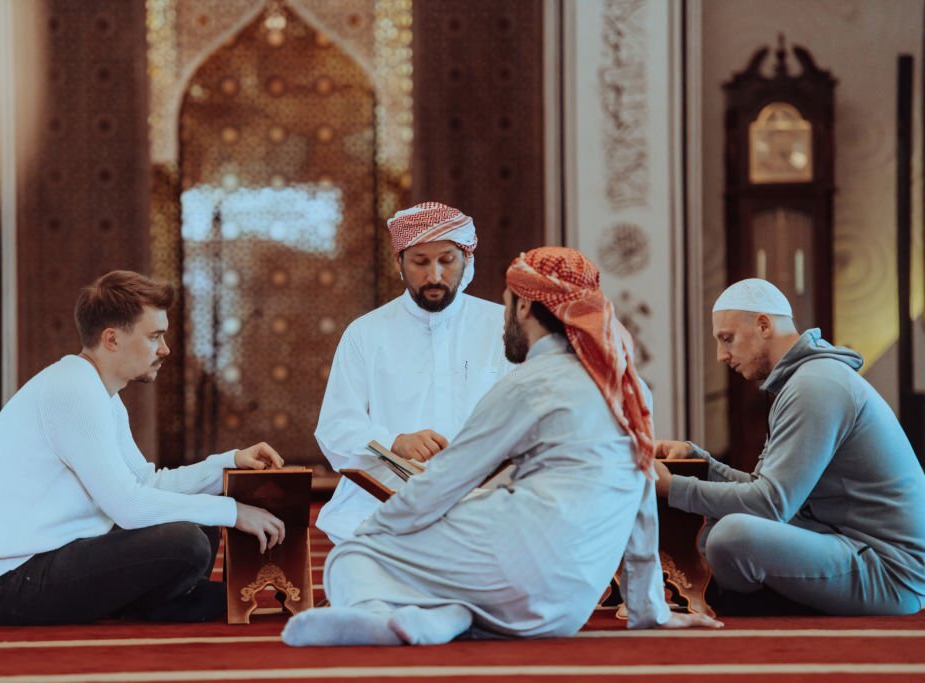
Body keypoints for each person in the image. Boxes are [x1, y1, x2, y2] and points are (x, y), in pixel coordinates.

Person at [283, 247, 722, 647]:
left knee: (351, 556)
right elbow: (642, 500)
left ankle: (377, 613)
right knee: (445, 552)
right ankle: (444, 620)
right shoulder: (630, 387)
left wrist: (372, 533)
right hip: (568, 608)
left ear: (526, 306)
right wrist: (648, 609)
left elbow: (444, 480)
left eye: (510, 305)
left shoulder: (530, 383)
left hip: (517, 568)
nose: (505, 318)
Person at [0, 270, 287, 625]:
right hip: (13, 583)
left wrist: (229, 462)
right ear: (112, 339)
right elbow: (129, 507)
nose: (165, 349)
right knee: (188, 538)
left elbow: (147, 485)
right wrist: (233, 512)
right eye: (154, 337)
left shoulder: (101, 393)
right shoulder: (74, 391)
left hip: (54, 559)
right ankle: (158, 604)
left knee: (198, 521)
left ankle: (157, 604)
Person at [654, 278, 925, 615]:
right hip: (847, 544)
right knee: (715, 528)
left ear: (763, 325)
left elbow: (769, 504)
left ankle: (762, 601)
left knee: (730, 536)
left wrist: (672, 488)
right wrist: (701, 463)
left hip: (889, 574)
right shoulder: (807, 379)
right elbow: (764, 491)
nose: (722, 356)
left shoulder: (815, 386)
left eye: (728, 339)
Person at [314, 202, 512, 543]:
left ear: (468, 260)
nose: (434, 275)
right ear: (398, 263)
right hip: (381, 509)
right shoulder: (366, 334)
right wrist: (395, 443)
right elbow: (335, 429)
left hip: (484, 508)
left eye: (447, 260)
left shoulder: (504, 327)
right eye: (420, 262)